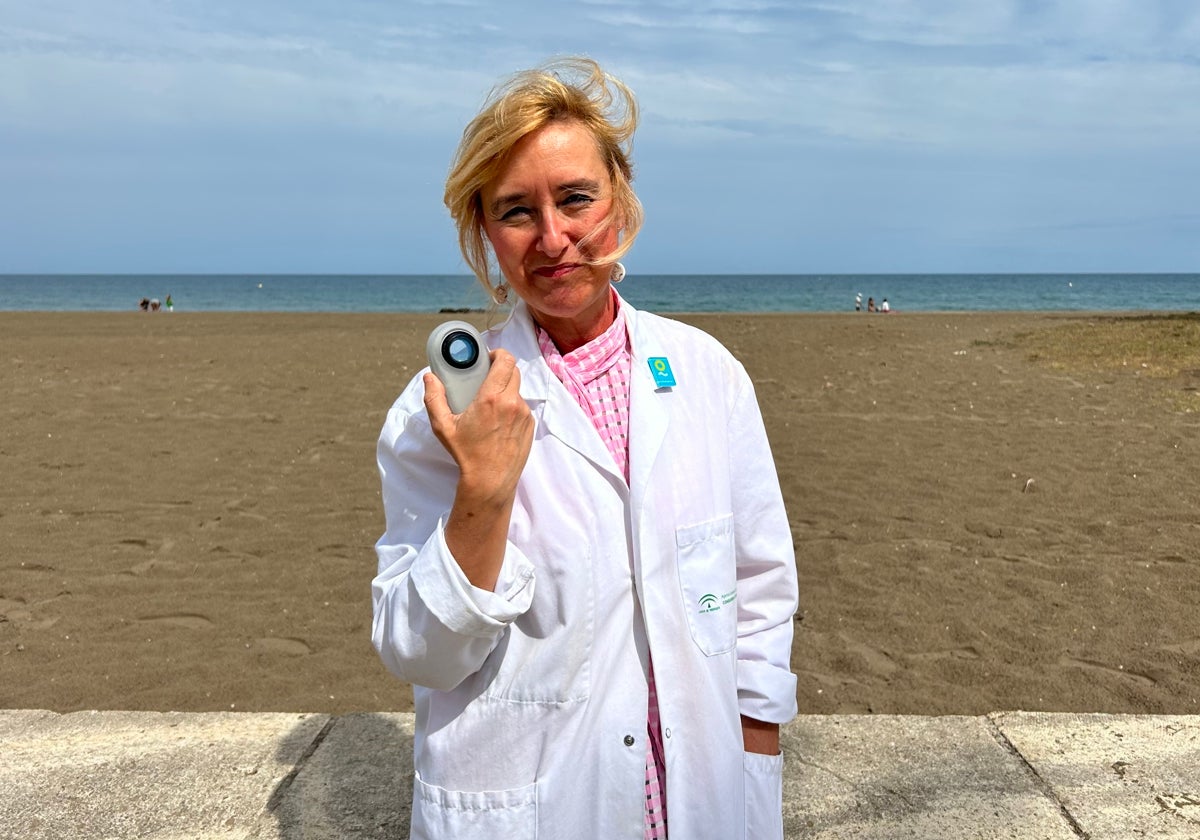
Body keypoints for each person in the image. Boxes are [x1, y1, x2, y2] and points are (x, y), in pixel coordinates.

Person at [372, 57, 798, 840]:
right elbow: (417, 651)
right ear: (484, 233)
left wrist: (757, 749)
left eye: (575, 199)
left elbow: (759, 582)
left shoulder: (708, 374)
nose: (553, 237)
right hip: (532, 807)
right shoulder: (431, 412)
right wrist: (484, 494)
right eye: (515, 212)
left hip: (702, 802)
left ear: (621, 200)